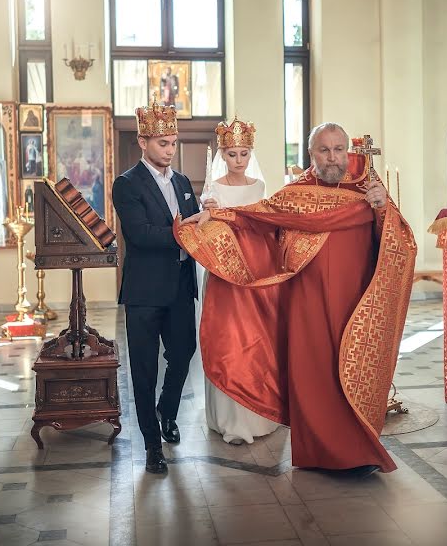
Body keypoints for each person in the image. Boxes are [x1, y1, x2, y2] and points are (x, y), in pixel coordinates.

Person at [178, 122, 418, 476]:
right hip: (307, 301)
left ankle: (358, 450)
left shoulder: (368, 189)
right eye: (324, 149)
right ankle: (320, 453)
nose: (333, 156)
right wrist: (216, 215)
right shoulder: (297, 193)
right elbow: (259, 217)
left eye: (339, 149)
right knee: (315, 375)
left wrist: (382, 209)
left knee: (350, 372)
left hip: (356, 302)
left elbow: (397, 240)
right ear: (312, 154)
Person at [111, 100, 202, 474]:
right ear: (143, 141)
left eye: (173, 142)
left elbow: (198, 229)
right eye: (163, 142)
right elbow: (141, 235)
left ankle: (167, 410)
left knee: (184, 352)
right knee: (144, 370)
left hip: (180, 287)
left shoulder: (182, 182)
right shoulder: (126, 184)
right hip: (145, 293)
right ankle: (152, 445)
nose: (170, 148)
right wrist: (186, 230)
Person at [199, 117, 279, 446]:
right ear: (223, 154)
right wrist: (210, 213)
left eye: (244, 153)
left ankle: (257, 413)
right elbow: (206, 232)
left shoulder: (259, 188)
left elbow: (267, 230)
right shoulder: (213, 190)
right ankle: (227, 416)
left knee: (256, 339)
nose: (238, 160)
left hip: (255, 275)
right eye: (232, 154)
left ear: (251, 153)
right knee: (228, 338)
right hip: (223, 277)